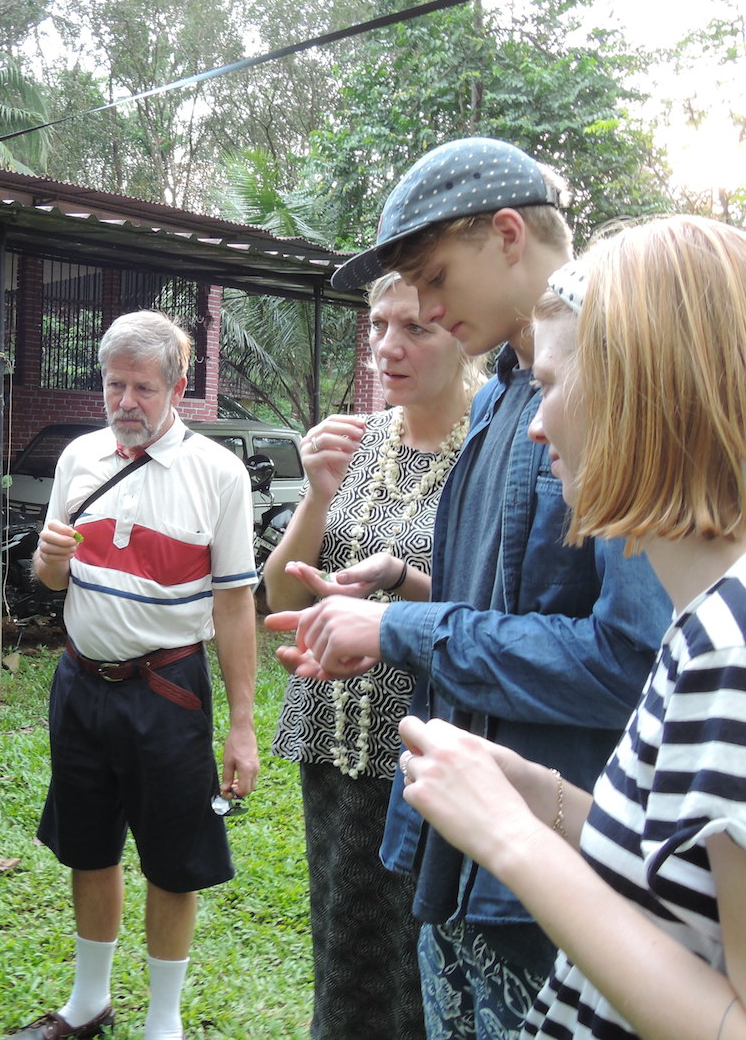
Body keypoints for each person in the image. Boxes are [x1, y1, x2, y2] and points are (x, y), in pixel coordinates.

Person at [397, 215, 746, 1040]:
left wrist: (515, 841)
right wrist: (544, 797)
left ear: (642, 390)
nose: (538, 424)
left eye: (550, 385)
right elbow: (700, 895)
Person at [267, 138, 671, 1040]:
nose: (426, 306)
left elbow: (635, 662)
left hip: (556, 866)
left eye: (435, 277)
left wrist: (404, 628)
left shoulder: (619, 387)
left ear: (507, 234)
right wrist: (402, 588)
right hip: (456, 842)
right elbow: (507, 598)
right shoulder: (502, 395)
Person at [9, 309, 259, 1040]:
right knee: (88, 844)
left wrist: (241, 723)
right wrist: (49, 563)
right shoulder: (79, 458)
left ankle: (163, 1020)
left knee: (173, 859)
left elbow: (236, 603)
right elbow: (50, 579)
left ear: (177, 386)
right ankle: (88, 1003)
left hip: (168, 688)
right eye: (115, 384)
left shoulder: (218, 474)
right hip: (81, 682)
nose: (125, 402)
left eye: (143, 387)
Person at [264, 273, 475, 1040]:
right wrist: (318, 495)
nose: (388, 346)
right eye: (379, 325)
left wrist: (395, 581)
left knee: (419, 968)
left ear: (464, 330)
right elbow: (271, 589)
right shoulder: (358, 438)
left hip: (426, 744)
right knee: (340, 949)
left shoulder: (494, 444)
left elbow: (495, 607)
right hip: (332, 736)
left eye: (414, 327)